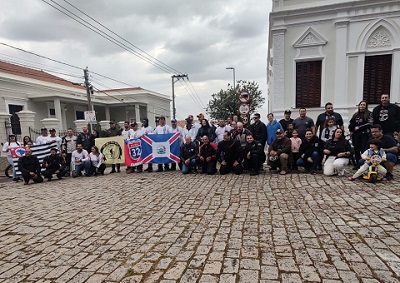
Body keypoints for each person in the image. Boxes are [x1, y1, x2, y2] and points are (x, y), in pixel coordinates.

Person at [349, 100, 373, 165]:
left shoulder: (369, 114)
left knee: (363, 149)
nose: (362, 106)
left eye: (363, 105)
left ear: (366, 106)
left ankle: (364, 163)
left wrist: (360, 127)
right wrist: (351, 129)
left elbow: (370, 123)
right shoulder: (355, 114)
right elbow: (351, 123)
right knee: (356, 149)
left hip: (364, 134)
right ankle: (357, 164)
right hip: (356, 135)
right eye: (361, 105)